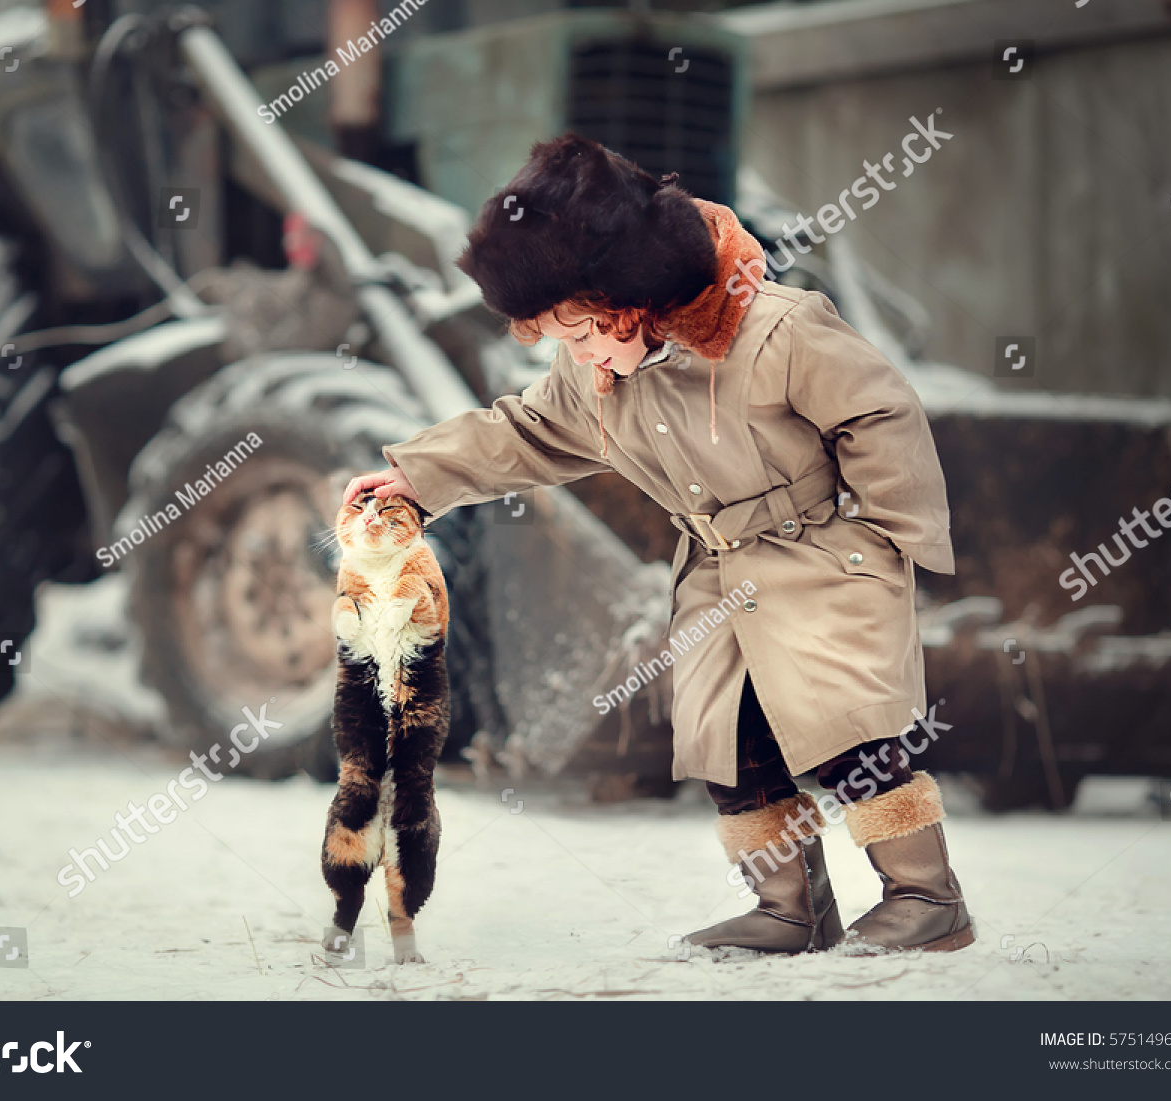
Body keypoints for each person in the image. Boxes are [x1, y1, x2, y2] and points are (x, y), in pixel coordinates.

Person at [342, 135, 973, 955]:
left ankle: (926, 893)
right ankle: (790, 903)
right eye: (563, 344)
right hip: (718, 570)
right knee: (729, 742)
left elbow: (879, 413)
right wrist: (417, 477)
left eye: (585, 332)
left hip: (823, 557)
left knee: (852, 727)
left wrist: (891, 537)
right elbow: (526, 433)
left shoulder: (778, 331)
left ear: (629, 298)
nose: (580, 357)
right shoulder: (598, 375)